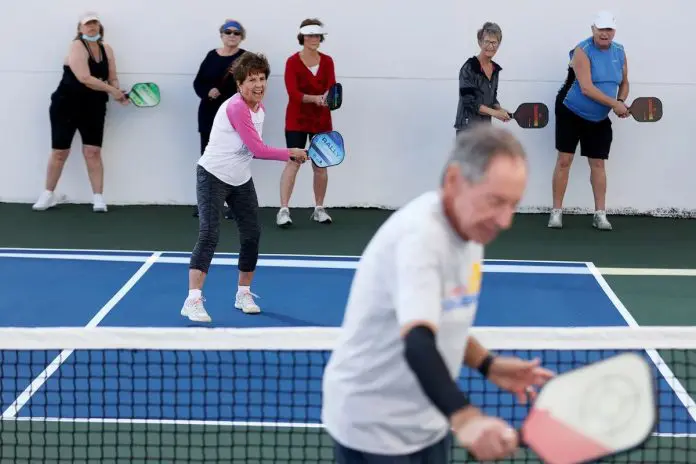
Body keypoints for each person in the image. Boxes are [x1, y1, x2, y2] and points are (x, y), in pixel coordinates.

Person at [322, 125, 555, 463]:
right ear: (454, 181)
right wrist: (466, 417)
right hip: (376, 430)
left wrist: (489, 365)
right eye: (496, 201)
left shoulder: (471, 227)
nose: (506, 220)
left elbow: (442, 315)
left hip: (430, 418)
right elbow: (417, 341)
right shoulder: (421, 238)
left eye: (514, 205)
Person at [181, 52, 308, 323]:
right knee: (209, 235)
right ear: (240, 83)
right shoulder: (236, 107)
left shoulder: (259, 109)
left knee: (251, 234)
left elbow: (249, 152)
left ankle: (243, 293)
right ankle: (192, 300)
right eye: (252, 79)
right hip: (212, 175)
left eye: (262, 79)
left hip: (240, 179)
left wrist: (291, 153)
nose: (259, 84)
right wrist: (292, 152)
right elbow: (257, 150)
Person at [32, 12, 128, 213]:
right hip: (66, 105)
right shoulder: (76, 46)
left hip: (94, 106)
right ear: (80, 29)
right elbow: (84, 77)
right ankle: (48, 194)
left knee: (92, 152)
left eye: (95, 24)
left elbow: (112, 78)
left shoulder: (107, 49)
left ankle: (98, 198)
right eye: (87, 24)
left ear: (100, 27)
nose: (92, 27)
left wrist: (118, 92)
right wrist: (112, 91)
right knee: (60, 152)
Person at [549, 11, 629, 231]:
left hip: (599, 117)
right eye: (601, 29)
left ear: (614, 31)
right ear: (593, 29)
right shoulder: (581, 50)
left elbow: (624, 82)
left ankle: (600, 215)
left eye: (609, 29)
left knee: (598, 163)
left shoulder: (620, 52)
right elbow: (586, 87)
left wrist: (621, 100)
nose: (605, 33)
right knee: (564, 160)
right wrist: (615, 105)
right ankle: (556, 212)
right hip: (570, 111)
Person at [276, 18, 336, 228]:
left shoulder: (327, 61)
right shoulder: (292, 62)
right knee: (294, 162)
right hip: (297, 120)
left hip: (322, 120)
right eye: (310, 35)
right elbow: (293, 93)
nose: (314, 39)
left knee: (321, 165)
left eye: (317, 35)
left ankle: (319, 208)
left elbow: (331, 87)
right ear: (302, 37)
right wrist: (315, 99)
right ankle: (284, 210)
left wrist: (327, 98)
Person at [192, 18, 247, 218]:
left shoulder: (245, 58)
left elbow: (250, 85)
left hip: (233, 115)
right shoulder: (211, 56)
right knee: (208, 159)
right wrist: (208, 92)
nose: (232, 36)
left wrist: (227, 92)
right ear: (222, 35)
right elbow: (198, 82)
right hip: (208, 114)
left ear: (241, 37)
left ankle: (232, 204)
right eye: (228, 32)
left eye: (236, 33)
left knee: (232, 158)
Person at [454, 22, 511, 134]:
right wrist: (495, 113)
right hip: (467, 129)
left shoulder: (495, 70)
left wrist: (500, 110)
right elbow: (468, 101)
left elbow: (492, 99)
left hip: (485, 130)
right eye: (487, 42)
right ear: (480, 42)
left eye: (494, 42)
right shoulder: (469, 68)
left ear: (498, 45)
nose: (490, 46)